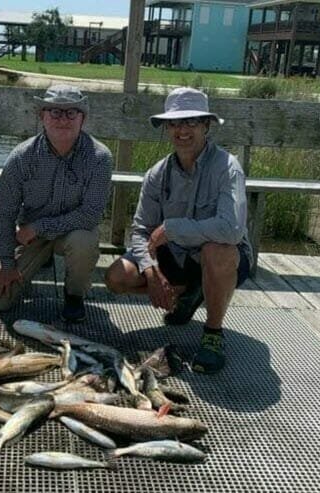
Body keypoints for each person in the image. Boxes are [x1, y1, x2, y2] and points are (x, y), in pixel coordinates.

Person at [104, 87, 252, 374]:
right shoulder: (157, 173)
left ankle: (212, 334)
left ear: (206, 126)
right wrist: (151, 271)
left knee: (216, 250)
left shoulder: (227, 167)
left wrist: (173, 228)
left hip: (223, 260)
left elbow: (232, 230)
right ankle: (186, 294)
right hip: (175, 259)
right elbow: (140, 231)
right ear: (166, 128)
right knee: (116, 277)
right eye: (174, 123)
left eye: (190, 122)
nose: (181, 130)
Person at [0, 84, 112, 322]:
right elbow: (4, 212)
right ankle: (37, 262)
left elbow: (90, 215)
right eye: (54, 112)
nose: (62, 119)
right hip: (32, 237)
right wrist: (6, 263)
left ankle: (74, 296)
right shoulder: (21, 157)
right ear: (42, 115)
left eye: (70, 112)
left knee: (85, 240)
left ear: (82, 118)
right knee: (0, 302)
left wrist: (38, 227)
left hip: (68, 232)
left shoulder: (99, 158)